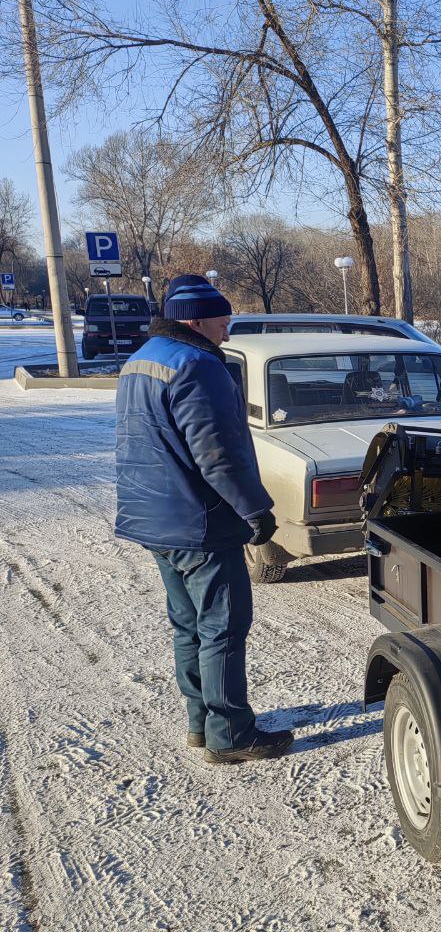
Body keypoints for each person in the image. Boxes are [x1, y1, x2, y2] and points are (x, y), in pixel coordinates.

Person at [115, 274, 293, 764]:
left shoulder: (140, 361)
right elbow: (218, 456)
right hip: (199, 523)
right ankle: (231, 735)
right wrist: (255, 510)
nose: (227, 334)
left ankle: (200, 723)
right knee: (223, 627)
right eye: (222, 322)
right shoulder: (198, 365)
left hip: (153, 518)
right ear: (195, 321)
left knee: (188, 625)